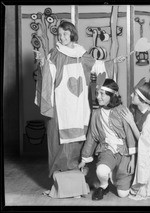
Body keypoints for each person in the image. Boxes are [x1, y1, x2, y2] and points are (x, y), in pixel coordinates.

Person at [34, 20, 124, 198]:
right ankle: (61, 185)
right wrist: (43, 62)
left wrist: (112, 62)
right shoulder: (55, 53)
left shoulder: (82, 53)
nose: (62, 37)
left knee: (78, 143)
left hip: (79, 107)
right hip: (61, 106)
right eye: (59, 34)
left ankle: (76, 185)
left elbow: (98, 66)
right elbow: (47, 74)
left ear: (72, 34)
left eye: (65, 34)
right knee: (59, 143)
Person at [78, 78, 137, 200]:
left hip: (124, 152)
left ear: (112, 95)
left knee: (123, 194)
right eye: (97, 93)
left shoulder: (123, 110)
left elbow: (130, 135)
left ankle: (117, 176)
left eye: (102, 94)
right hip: (106, 149)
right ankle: (104, 186)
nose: (98, 97)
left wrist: (132, 159)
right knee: (101, 171)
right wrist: (84, 158)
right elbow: (92, 136)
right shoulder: (96, 113)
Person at [120, 80, 150, 200]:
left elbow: (145, 142)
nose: (131, 95)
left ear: (143, 99)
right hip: (141, 149)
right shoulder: (136, 110)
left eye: (134, 94)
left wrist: (131, 122)